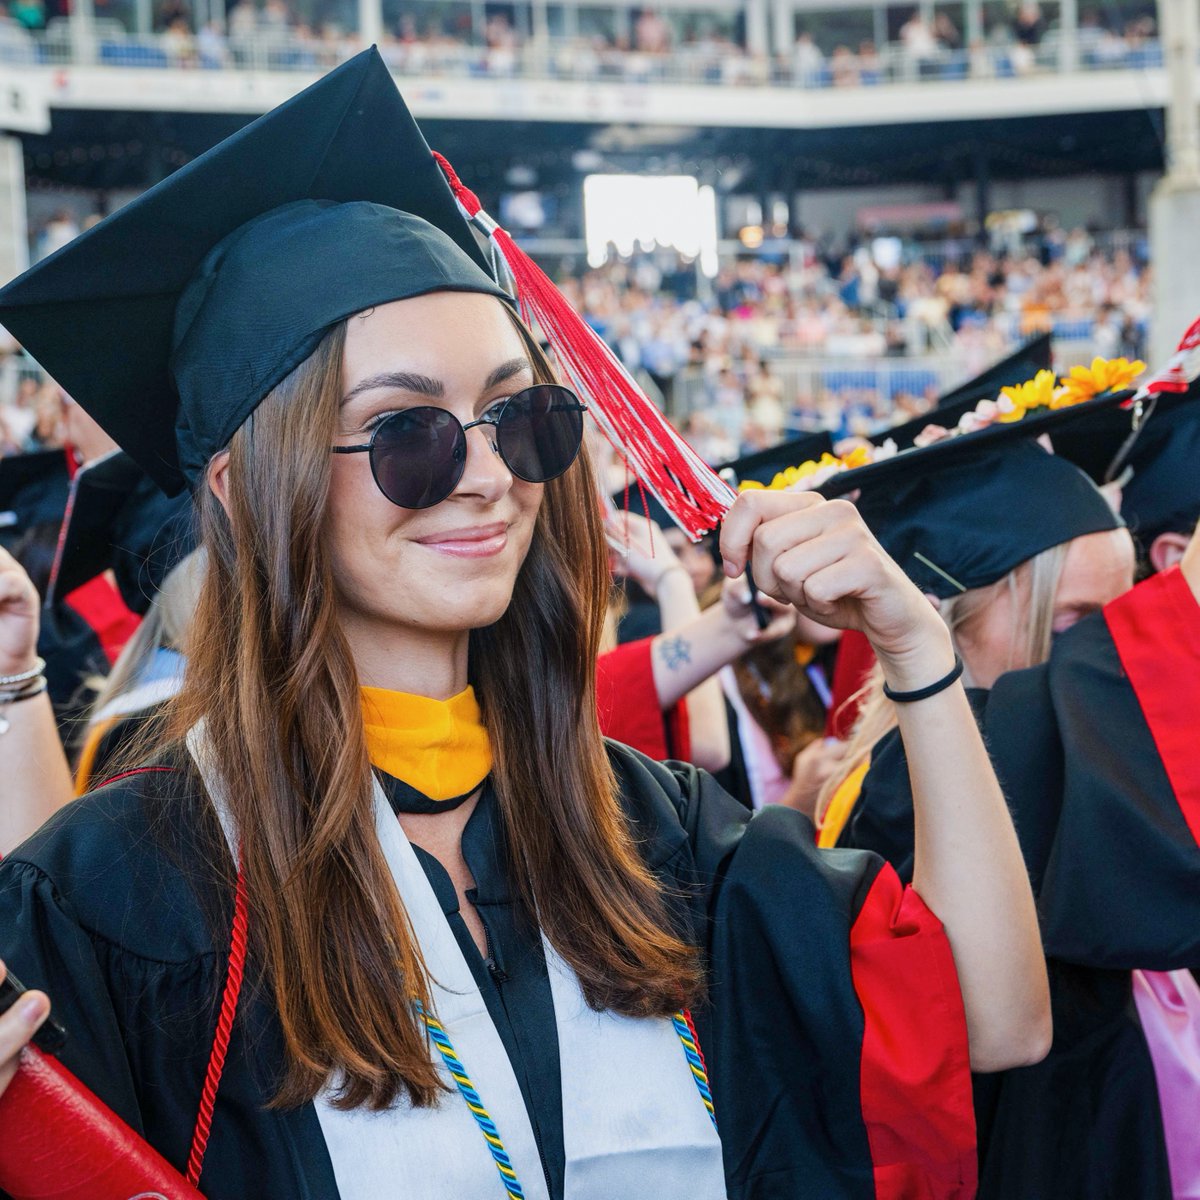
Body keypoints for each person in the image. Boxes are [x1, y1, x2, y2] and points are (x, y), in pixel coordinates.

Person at [0, 50, 1049, 1197]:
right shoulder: (121, 894)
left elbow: (993, 1025)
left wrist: (917, 649)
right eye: (408, 431)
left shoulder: (651, 833)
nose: (489, 475)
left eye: (521, 415)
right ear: (247, 491)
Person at [797, 380, 1197, 1199]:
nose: (1103, 658)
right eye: (1074, 621)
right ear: (947, 621)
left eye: (1120, 616)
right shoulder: (913, 794)